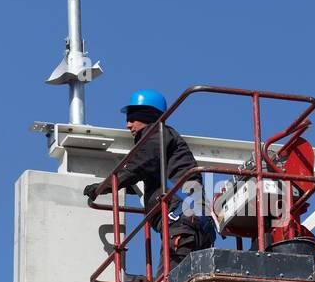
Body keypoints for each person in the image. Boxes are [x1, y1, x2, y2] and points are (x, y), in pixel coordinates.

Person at [83, 90, 217, 265]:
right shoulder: (163, 140)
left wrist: (105, 186)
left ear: (146, 116)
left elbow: (137, 168)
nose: (128, 126)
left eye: (132, 119)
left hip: (182, 224)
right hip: (192, 223)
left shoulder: (156, 134)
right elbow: (147, 176)